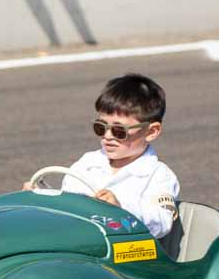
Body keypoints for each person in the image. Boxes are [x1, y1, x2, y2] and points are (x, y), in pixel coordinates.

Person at [25, 73, 180, 238]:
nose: (107, 136)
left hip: (127, 254)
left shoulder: (159, 175)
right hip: (81, 242)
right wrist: (44, 197)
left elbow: (162, 222)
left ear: (151, 131)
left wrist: (121, 208)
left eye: (119, 131)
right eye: (100, 127)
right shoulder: (88, 162)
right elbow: (68, 206)